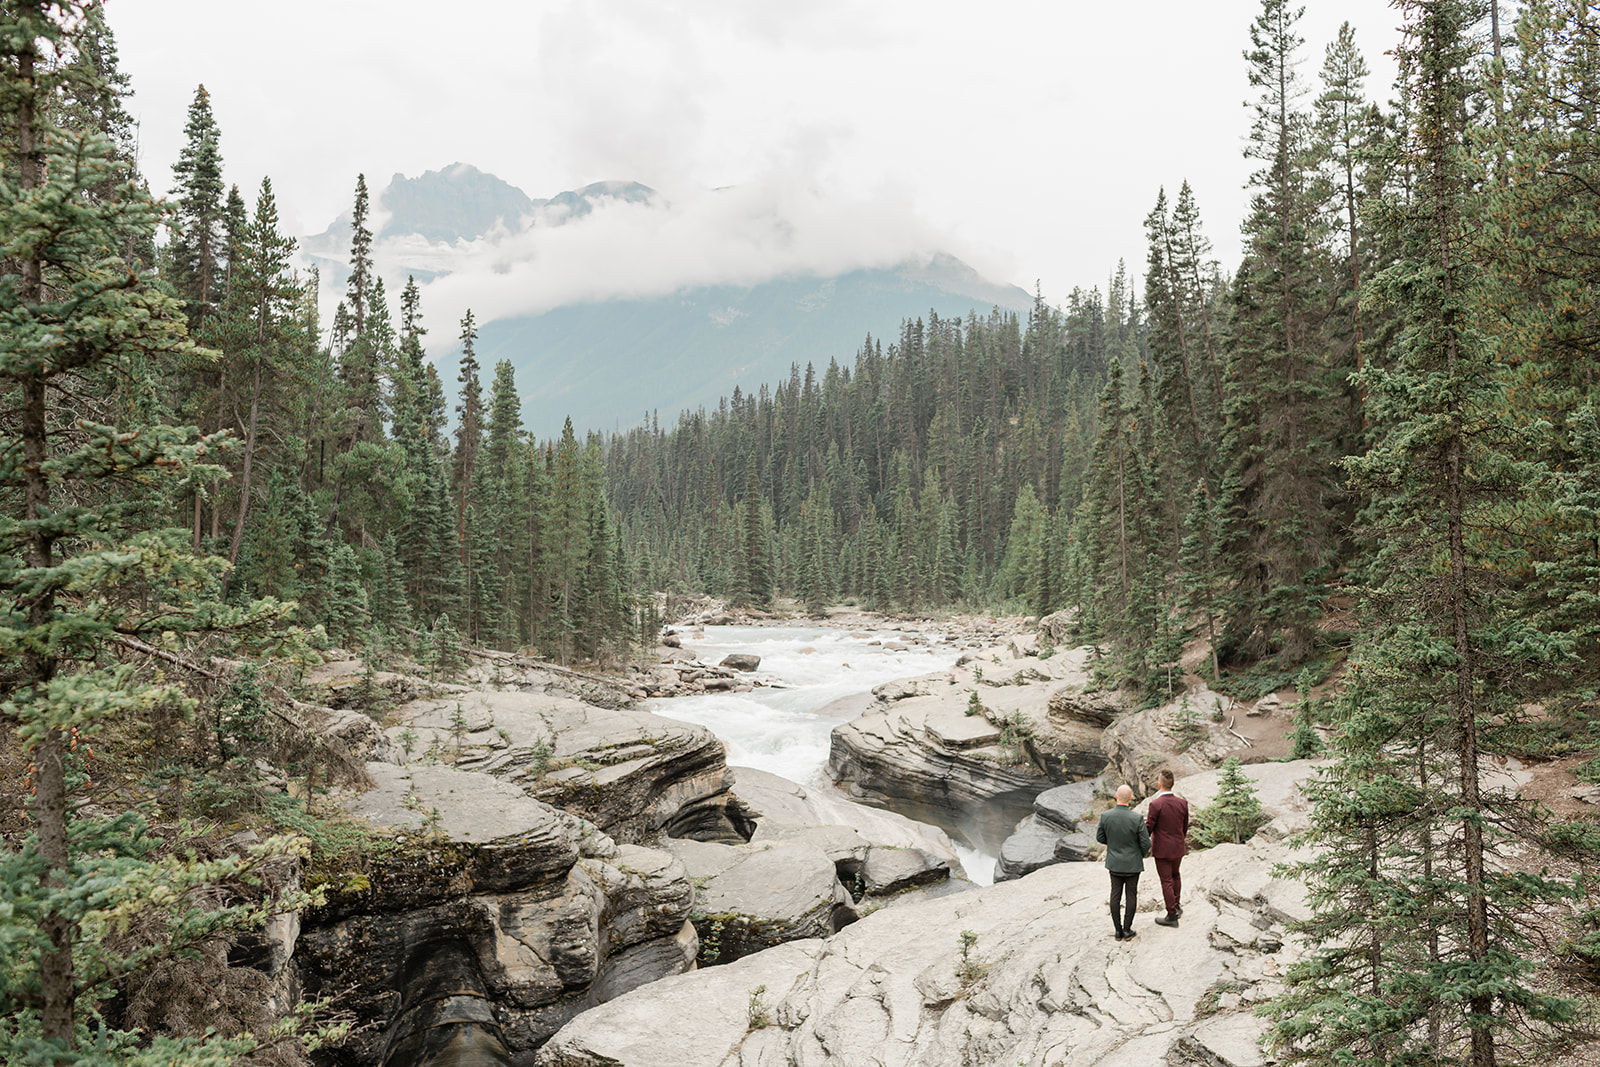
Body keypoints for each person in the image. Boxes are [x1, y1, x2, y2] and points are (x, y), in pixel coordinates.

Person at [1095, 784, 1151, 941]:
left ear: (1116, 796)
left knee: (1115, 895)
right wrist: (1138, 854)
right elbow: (1146, 843)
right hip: (1132, 864)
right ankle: (1127, 930)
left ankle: (1117, 931)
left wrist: (1113, 846)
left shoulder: (1106, 816)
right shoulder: (1137, 818)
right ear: (1131, 798)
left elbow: (1100, 837)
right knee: (1131, 895)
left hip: (1115, 863)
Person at [1146, 768, 1190, 927]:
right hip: (1178, 847)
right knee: (1176, 875)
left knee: (1166, 881)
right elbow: (1185, 826)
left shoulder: (1156, 804)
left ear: (1159, 785)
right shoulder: (1182, 803)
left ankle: (1172, 916)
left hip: (1162, 850)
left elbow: (1149, 827)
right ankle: (1177, 906)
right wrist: (1179, 840)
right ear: (1173, 784)